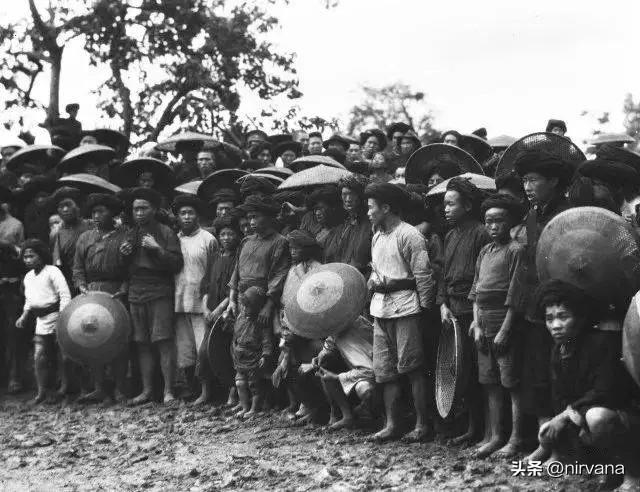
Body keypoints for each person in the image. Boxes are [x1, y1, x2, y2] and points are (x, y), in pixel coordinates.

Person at [534, 280, 640, 489]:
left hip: (626, 418)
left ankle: (633, 474)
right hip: (584, 421)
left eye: (563, 317)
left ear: (580, 318)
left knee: (597, 417)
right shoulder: (559, 351)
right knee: (557, 428)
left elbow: (607, 392)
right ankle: (609, 470)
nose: (555, 325)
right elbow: (559, 397)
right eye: (549, 319)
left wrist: (566, 417)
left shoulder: (601, 343)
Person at [511, 151, 572, 462]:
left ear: (554, 181)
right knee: (536, 374)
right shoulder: (532, 215)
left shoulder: (571, 214)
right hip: (535, 307)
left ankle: (563, 449)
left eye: (533, 180)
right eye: (524, 180)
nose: (527, 186)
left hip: (564, 306)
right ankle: (544, 443)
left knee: (560, 375)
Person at [365, 182, 436, 442]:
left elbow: (423, 275)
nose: (368, 212)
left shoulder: (409, 235)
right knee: (385, 371)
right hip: (380, 310)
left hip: (406, 308)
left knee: (412, 368)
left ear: (386, 208)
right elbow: (377, 268)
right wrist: (373, 282)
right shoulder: (377, 235)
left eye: (371, 208)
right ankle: (392, 424)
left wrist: (426, 310)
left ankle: (421, 424)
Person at [469, 194, 527, 458]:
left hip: (505, 322)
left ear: (510, 222)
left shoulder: (515, 251)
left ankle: (515, 439)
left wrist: (505, 330)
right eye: (489, 222)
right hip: (483, 322)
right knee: (490, 382)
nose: (493, 227)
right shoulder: (485, 251)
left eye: (499, 221)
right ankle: (494, 436)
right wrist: (477, 325)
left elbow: (515, 297)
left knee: (510, 382)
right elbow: (476, 292)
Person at [439, 177, 491, 445]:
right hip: (453, 310)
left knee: (481, 372)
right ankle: (472, 428)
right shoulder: (449, 235)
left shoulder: (481, 233)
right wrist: (443, 304)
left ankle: (486, 431)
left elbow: (482, 275)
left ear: (468, 205)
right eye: (444, 204)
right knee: (462, 372)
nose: (445, 209)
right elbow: (444, 275)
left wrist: (475, 310)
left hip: (473, 311)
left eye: (451, 204)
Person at [120, 187, 184, 405]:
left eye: (144, 208)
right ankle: (147, 391)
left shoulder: (166, 232)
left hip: (159, 290)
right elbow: (122, 268)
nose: (139, 213)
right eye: (136, 209)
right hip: (136, 291)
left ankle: (168, 391)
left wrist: (157, 249)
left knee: (163, 341)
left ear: (154, 209)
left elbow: (176, 264)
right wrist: (124, 254)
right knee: (142, 343)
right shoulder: (130, 232)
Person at [72, 193, 131, 403]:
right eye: (94, 212)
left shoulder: (124, 235)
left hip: (116, 291)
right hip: (91, 292)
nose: (97, 216)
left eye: (101, 211)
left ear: (112, 213)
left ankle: (120, 388)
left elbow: (130, 268)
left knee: (117, 339)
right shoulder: (85, 238)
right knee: (92, 338)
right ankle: (99, 387)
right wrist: (81, 286)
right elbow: (78, 267)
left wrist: (124, 287)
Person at [274, 230, 324, 424]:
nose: (293, 251)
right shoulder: (292, 271)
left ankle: (315, 406)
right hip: (291, 325)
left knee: (306, 363)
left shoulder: (318, 269)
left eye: (297, 248)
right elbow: (286, 299)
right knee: (286, 362)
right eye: (291, 248)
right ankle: (302, 403)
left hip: (312, 327)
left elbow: (318, 300)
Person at [172, 194, 217, 400]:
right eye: (183, 213)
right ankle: (192, 388)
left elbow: (215, 272)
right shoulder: (174, 239)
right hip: (179, 301)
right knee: (185, 349)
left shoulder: (208, 239)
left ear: (197, 215)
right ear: (178, 217)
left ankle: (209, 391)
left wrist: (209, 298)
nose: (187, 217)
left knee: (203, 348)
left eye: (191, 213)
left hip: (201, 301)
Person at [16, 239, 71, 404]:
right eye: (25, 257)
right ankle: (41, 392)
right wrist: (24, 316)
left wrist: (62, 318)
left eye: (31, 256)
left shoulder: (52, 271)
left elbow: (65, 295)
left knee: (63, 355)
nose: (28, 260)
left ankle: (64, 388)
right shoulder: (28, 277)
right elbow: (29, 300)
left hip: (56, 316)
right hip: (40, 320)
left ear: (41, 255)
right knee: (39, 356)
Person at [197, 215, 242, 406]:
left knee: (229, 352)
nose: (226, 238)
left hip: (229, 311)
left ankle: (233, 393)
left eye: (230, 234)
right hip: (211, 311)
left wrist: (219, 309)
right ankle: (205, 391)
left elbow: (234, 287)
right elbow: (206, 284)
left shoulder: (238, 257)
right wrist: (206, 308)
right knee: (204, 352)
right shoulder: (215, 257)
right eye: (222, 234)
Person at [314, 316, 376, 431]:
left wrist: (337, 377)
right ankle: (347, 416)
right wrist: (320, 356)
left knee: (365, 389)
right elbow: (330, 343)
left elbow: (369, 371)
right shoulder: (341, 324)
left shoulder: (353, 332)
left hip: (373, 377)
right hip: (358, 372)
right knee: (325, 364)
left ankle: (370, 413)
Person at [231, 285, 273, 418]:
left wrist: (265, 356)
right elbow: (235, 334)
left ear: (257, 307)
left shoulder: (261, 323)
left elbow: (267, 341)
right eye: (243, 306)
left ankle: (254, 409)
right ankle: (244, 407)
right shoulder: (240, 318)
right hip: (240, 357)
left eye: (248, 307)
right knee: (239, 383)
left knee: (253, 385)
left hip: (253, 358)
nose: (244, 309)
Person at [0, 190, 25, 393]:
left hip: (9, 285)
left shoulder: (14, 225)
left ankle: (15, 377)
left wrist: (8, 247)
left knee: (12, 332)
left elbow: (23, 256)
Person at [323, 174, 372, 276]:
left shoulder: (370, 225)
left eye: (352, 194)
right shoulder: (340, 225)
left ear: (361, 196)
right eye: (344, 194)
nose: (348, 199)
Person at [50, 187, 92, 292]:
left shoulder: (91, 225)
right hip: (72, 283)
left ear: (77, 207)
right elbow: (58, 264)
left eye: (68, 205)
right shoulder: (56, 233)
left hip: (93, 280)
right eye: (61, 206)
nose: (65, 209)